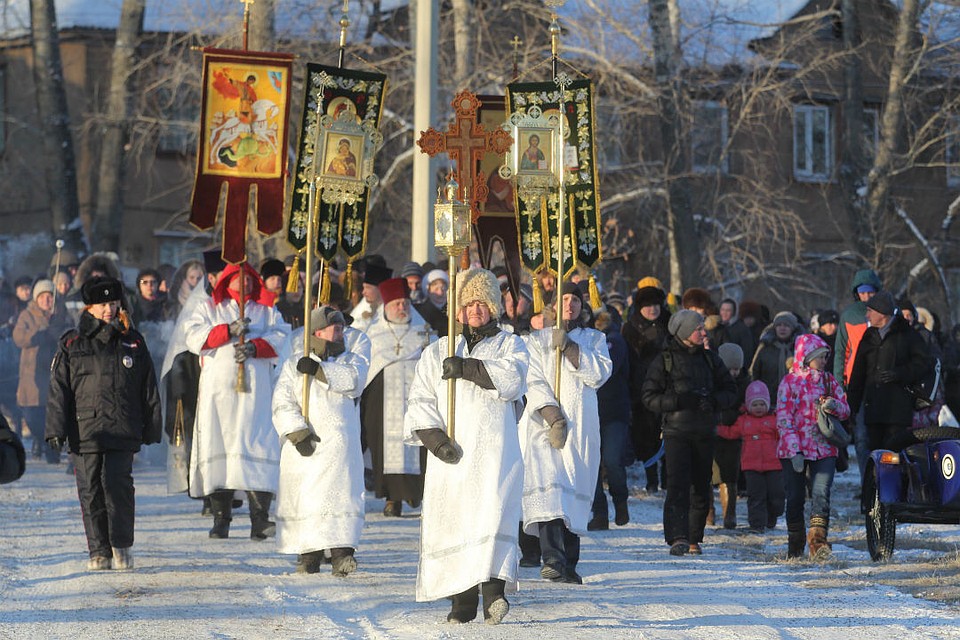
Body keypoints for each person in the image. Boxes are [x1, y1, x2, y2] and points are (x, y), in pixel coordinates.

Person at [403, 268, 529, 625]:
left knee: (491, 514)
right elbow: (420, 400)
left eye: (482, 303)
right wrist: (437, 442)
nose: (475, 309)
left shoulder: (510, 344)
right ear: (457, 310)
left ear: (493, 307)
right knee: (455, 520)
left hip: (493, 453)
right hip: (452, 456)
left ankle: (494, 595)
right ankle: (461, 601)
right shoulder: (437, 350)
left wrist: (468, 368)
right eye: (468, 303)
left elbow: (512, 381)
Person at [46, 276, 163, 570]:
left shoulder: (133, 341)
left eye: (113, 303)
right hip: (85, 430)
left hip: (122, 427)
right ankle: (98, 550)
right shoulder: (72, 342)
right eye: (103, 304)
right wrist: (55, 429)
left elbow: (147, 386)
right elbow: (59, 389)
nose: (109, 309)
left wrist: (151, 426)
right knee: (91, 490)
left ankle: (121, 546)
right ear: (89, 308)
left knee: (118, 487)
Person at [183, 263, 290, 540]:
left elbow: (282, 337)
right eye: (237, 279)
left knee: (258, 444)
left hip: (256, 394)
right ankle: (221, 519)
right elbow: (194, 337)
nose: (244, 285)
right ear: (226, 281)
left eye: (248, 280)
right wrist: (228, 331)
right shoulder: (209, 307)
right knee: (221, 447)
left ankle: (259, 519)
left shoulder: (266, 310)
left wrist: (255, 347)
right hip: (219, 396)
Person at [520, 282, 612, 581]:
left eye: (574, 299)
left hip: (580, 426)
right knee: (549, 489)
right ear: (553, 305)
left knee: (573, 489)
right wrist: (551, 413)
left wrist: (571, 348)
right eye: (564, 299)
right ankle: (552, 558)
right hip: (543, 425)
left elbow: (599, 375)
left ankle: (569, 563)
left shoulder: (594, 339)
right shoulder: (535, 341)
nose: (569, 304)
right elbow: (531, 380)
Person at [272, 305, 371, 575]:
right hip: (306, 445)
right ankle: (309, 555)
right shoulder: (294, 364)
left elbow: (354, 381)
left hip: (340, 445)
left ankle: (342, 555)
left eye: (341, 327)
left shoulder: (352, 359)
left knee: (341, 498)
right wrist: (296, 430)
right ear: (317, 331)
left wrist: (319, 371)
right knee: (307, 498)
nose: (339, 331)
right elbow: (282, 400)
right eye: (333, 327)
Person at [641, 309, 737, 556]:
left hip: (705, 432)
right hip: (676, 432)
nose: (704, 332)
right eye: (698, 329)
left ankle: (695, 538)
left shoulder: (711, 359)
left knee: (701, 486)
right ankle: (677, 537)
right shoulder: (664, 361)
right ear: (684, 332)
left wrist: (713, 402)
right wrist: (678, 401)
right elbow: (648, 397)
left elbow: (731, 391)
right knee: (677, 486)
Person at [360, 278, 434, 517]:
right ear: (386, 307)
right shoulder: (372, 337)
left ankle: (418, 495)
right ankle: (392, 499)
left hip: (416, 402)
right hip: (383, 403)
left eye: (405, 303)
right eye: (397, 304)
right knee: (385, 446)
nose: (402, 308)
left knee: (418, 446)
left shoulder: (425, 334)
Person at [776, 333, 849, 558]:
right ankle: (795, 543)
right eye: (820, 356)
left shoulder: (828, 381)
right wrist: (794, 449)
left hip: (824, 448)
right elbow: (783, 418)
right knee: (795, 497)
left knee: (821, 494)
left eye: (826, 356)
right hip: (794, 450)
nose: (824, 361)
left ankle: (818, 543)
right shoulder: (789, 383)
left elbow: (846, 411)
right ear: (807, 357)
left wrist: (834, 405)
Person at [846, 292, 931, 453]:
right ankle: (872, 479)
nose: (867, 315)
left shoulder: (907, 334)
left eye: (870, 311)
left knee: (896, 457)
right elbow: (858, 373)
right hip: (873, 410)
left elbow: (923, 363)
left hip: (897, 411)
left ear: (882, 313)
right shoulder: (869, 335)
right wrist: (851, 407)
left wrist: (900, 374)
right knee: (875, 456)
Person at [13, 279, 71, 463]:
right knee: (32, 416)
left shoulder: (61, 314)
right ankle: (41, 440)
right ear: (36, 298)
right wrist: (39, 333)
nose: (47, 300)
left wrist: (59, 333)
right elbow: (19, 338)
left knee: (53, 415)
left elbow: (71, 331)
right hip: (32, 377)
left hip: (54, 374)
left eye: (50, 296)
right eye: (43, 296)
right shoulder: (27, 315)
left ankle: (52, 449)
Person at [833, 269, 882, 478]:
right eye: (863, 292)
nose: (867, 296)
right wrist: (839, 384)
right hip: (858, 382)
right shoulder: (849, 316)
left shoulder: (887, 313)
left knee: (883, 436)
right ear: (857, 293)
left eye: (871, 292)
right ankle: (866, 483)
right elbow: (841, 352)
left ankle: (884, 481)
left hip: (883, 381)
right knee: (861, 437)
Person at [621, 282, 670, 493]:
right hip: (641, 390)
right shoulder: (630, 328)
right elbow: (627, 361)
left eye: (656, 304)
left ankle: (668, 478)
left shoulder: (669, 323)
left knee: (668, 434)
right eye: (648, 305)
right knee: (647, 437)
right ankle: (652, 480)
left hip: (668, 388)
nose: (653, 309)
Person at [717, 380, 783, 534]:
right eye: (755, 404)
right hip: (751, 466)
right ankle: (756, 524)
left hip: (774, 465)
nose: (758, 408)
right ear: (748, 405)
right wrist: (717, 429)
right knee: (755, 496)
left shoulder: (775, 420)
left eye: (762, 404)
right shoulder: (743, 421)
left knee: (776, 495)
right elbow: (731, 433)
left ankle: (772, 515)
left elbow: (784, 435)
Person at [588, 303, 632, 531]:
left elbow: (607, 371)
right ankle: (599, 512)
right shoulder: (580, 337)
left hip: (613, 410)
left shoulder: (613, 338)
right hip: (589, 410)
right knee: (591, 464)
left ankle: (620, 499)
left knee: (612, 461)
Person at [712, 342, 748, 529]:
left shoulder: (745, 382)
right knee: (710, 474)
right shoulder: (713, 379)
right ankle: (708, 513)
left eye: (737, 369)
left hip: (734, 433)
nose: (734, 373)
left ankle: (729, 513)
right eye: (730, 369)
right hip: (714, 429)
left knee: (730, 475)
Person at [750, 311, 803, 405]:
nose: (782, 328)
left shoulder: (800, 348)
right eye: (779, 325)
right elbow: (754, 372)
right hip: (768, 401)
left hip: (795, 401)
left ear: (793, 329)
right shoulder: (765, 348)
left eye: (786, 325)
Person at [351, 263, 392, 333]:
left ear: (380, 289)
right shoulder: (362, 307)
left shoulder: (392, 309)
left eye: (368, 288)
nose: (363, 292)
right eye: (363, 287)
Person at [414, 269, 449, 337]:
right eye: (436, 289)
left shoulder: (452, 310)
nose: (440, 293)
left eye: (443, 289)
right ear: (428, 290)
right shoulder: (420, 312)